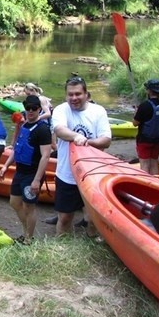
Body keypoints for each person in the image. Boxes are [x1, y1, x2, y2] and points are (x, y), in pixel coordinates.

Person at [52, 76, 111, 237]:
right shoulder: (61, 109)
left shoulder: (98, 111)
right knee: (64, 218)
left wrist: (88, 142)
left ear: (86, 94)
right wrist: (76, 136)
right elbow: (59, 130)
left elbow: (106, 140)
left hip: (92, 175)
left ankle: (92, 246)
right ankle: (63, 247)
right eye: (70, 94)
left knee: (93, 219)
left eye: (78, 94)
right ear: (66, 96)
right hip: (66, 174)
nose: (74, 98)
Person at [0, 95, 52, 245]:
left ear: (39, 109)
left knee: (29, 206)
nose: (30, 111)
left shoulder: (43, 130)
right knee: (14, 202)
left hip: (33, 173)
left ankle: (28, 239)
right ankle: (26, 231)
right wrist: (6, 166)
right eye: (28, 108)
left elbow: (46, 156)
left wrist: (36, 180)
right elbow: (17, 148)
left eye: (34, 108)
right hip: (20, 171)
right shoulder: (24, 125)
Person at [133, 79, 159, 175]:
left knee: (144, 163)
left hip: (144, 140)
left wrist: (136, 113)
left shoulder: (144, 106)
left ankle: (145, 186)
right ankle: (156, 183)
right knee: (154, 161)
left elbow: (135, 123)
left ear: (149, 91)